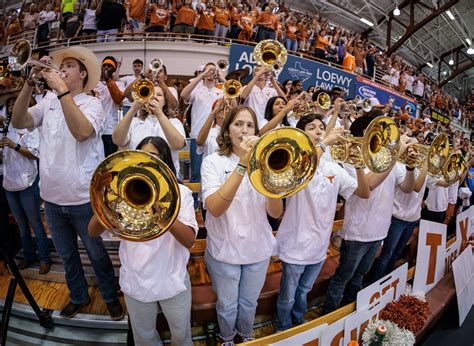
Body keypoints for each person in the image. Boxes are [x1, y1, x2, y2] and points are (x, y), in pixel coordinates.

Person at [11, 46, 123, 320]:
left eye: (70, 66)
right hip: (51, 198)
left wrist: (61, 90)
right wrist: (28, 82)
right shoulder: (48, 101)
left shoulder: (91, 103)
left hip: (84, 198)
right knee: (68, 255)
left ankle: (109, 296)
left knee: (96, 254)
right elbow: (19, 120)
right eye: (64, 66)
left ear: (83, 74)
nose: (63, 68)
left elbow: (83, 132)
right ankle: (78, 296)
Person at [89, 136, 198, 346]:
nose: (147, 160)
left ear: (165, 161)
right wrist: (106, 199)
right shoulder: (122, 190)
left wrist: (164, 209)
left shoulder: (182, 193)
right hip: (136, 282)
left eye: (154, 156)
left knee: (181, 336)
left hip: (172, 281)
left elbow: (189, 240)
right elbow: (92, 231)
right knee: (144, 339)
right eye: (142, 155)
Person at [275, 113, 370, 331]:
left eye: (321, 127)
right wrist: (325, 143)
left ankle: (298, 324)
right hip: (295, 245)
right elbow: (300, 171)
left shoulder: (334, 169)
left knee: (303, 292)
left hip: (319, 246)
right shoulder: (292, 161)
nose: (318, 131)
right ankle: (283, 328)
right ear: (301, 133)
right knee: (288, 296)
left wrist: (358, 165)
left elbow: (363, 193)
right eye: (312, 127)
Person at [201, 106, 283, 345]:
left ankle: (246, 335)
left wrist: (271, 179)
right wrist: (242, 166)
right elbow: (215, 208)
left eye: (249, 125)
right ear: (227, 131)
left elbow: (275, 213)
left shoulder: (265, 162)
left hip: (257, 249)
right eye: (238, 124)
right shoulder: (213, 162)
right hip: (224, 250)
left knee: (249, 302)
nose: (244, 130)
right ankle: (226, 337)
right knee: (227, 304)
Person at [322, 110, 416, 314]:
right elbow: (369, 185)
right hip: (357, 232)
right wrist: (393, 157)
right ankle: (329, 316)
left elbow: (409, 188)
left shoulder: (390, 160)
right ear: (366, 131)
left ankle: (350, 313)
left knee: (358, 278)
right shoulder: (351, 159)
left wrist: (409, 168)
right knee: (342, 278)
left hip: (380, 230)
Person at [2, 96, 52, 274]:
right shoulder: (6, 128)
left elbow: (35, 154)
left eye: (14, 104)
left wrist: (15, 146)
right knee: (21, 225)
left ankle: (45, 258)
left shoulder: (31, 127)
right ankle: (29, 255)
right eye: (9, 105)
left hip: (28, 181)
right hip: (9, 182)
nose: (11, 107)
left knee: (35, 223)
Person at [112, 85, 185, 180]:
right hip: (137, 176)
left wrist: (159, 113)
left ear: (165, 102)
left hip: (167, 176)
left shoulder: (174, 122)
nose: (154, 96)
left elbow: (178, 144)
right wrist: (133, 109)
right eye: (150, 94)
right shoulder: (134, 122)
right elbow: (117, 140)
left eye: (159, 95)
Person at [181, 63, 223, 190]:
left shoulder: (221, 92)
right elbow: (183, 95)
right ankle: (194, 205)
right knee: (195, 174)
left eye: (213, 70)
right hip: (196, 136)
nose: (210, 73)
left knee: (215, 171)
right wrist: (202, 76)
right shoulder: (196, 91)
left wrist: (223, 78)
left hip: (216, 136)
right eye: (208, 70)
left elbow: (234, 102)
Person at [95, 56, 125, 157]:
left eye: (110, 66)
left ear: (114, 69)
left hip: (109, 130)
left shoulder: (119, 84)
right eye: (104, 65)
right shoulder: (94, 84)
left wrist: (108, 79)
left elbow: (118, 99)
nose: (106, 68)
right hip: (95, 130)